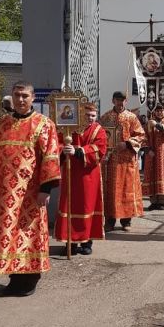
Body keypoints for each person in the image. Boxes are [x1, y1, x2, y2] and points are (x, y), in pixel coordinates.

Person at [0, 83, 60, 296]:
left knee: (29, 234)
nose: (20, 100)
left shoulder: (43, 124)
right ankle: (14, 277)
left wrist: (46, 189)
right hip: (4, 193)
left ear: (32, 98)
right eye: (17, 95)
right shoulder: (0, 124)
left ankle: (30, 278)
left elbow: (50, 157)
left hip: (30, 193)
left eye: (25, 96)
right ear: (12, 98)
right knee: (8, 234)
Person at [55, 102, 107, 255]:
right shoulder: (69, 128)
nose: (90, 118)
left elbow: (100, 149)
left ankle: (86, 241)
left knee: (87, 206)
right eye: (87, 115)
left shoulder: (99, 130)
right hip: (70, 173)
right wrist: (63, 150)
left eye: (93, 115)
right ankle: (69, 243)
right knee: (69, 205)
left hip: (88, 175)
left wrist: (78, 151)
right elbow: (57, 144)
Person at [99, 92, 145, 231]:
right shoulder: (105, 117)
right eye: (117, 100)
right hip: (110, 160)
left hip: (126, 160)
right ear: (113, 100)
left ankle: (126, 221)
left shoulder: (132, 117)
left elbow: (141, 135)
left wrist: (127, 143)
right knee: (110, 190)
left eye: (122, 100)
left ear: (126, 101)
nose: (120, 103)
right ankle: (110, 221)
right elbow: (100, 135)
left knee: (126, 189)